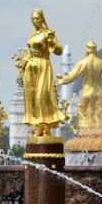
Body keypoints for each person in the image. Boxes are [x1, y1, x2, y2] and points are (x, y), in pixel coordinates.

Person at [21, 8, 67, 136]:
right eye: (33, 19)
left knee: (42, 97)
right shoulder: (32, 34)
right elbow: (30, 52)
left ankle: (47, 126)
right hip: (31, 67)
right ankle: (39, 127)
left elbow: (59, 51)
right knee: (32, 98)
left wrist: (52, 40)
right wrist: (24, 63)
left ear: (42, 19)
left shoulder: (47, 33)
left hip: (43, 65)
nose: (35, 21)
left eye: (37, 18)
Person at [57, 40, 102, 129]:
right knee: (98, 121)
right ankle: (97, 138)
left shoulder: (82, 62)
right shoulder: (100, 63)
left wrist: (61, 81)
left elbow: (72, 76)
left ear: (87, 50)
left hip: (86, 93)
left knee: (84, 122)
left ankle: (85, 139)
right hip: (98, 93)